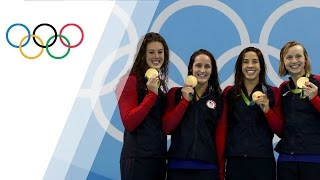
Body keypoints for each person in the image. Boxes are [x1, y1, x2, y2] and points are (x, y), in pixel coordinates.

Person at [220, 47, 283, 180]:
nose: (250, 65)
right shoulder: (229, 93)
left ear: (261, 66)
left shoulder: (273, 92)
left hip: (262, 160)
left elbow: (280, 131)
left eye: (255, 61)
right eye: (245, 62)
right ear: (240, 66)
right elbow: (221, 129)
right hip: (235, 160)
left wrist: (267, 111)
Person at [162, 49, 226, 180]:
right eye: (198, 65)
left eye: (207, 66)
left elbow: (220, 139)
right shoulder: (175, 94)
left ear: (212, 71)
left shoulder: (219, 100)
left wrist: (220, 172)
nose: (202, 70)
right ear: (191, 68)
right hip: (177, 168)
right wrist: (184, 101)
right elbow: (167, 127)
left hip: (208, 169)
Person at [115, 32, 169, 180]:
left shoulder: (160, 84)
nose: (156, 56)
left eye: (160, 52)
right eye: (151, 52)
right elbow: (129, 122)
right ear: (142, 55)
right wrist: (151, 95)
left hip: (158, 157)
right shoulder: (129, 81)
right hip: (138, 157)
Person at [275, 41, 320, 180]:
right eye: (289, 57)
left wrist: (314, 99)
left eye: (298, 56)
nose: (294, 61)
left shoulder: (318, 82)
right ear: (283, 61)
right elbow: (280, 127)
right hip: (287, 158)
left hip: (314, 157)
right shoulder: (283, 88)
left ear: (305, 59)